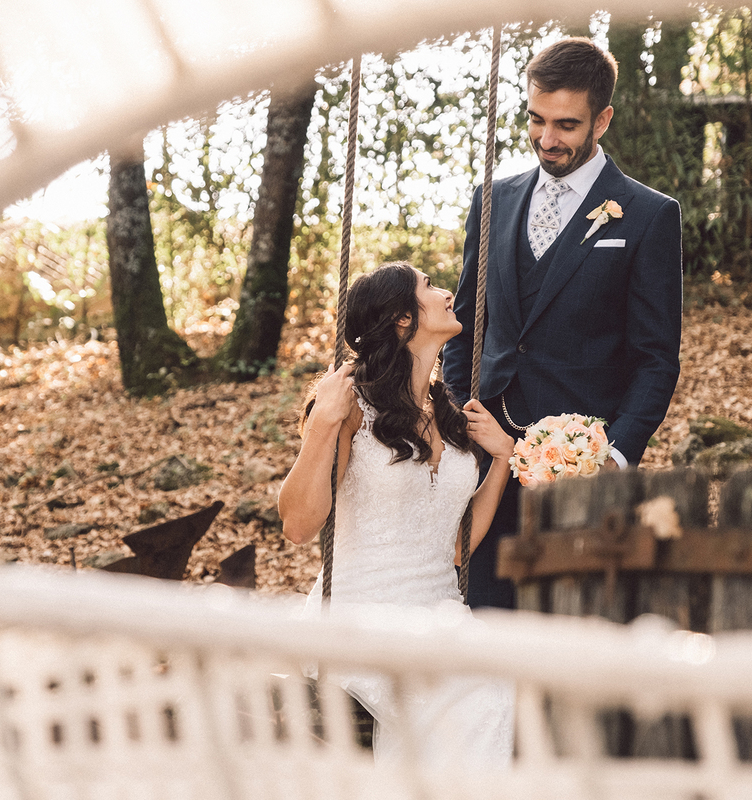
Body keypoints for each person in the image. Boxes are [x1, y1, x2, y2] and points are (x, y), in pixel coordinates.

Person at [442, 37, 683, 609]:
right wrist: (456, 417)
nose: (547, 139)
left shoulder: (650, 216)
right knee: (484, 619)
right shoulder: (492, 199)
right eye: (536, 119)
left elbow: (656, 358)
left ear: (603, 120)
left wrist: (614, 457)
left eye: (567, 125)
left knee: (571, 630)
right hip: (486, 465)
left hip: (582, 471)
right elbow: (462, 320)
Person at [279, 261, 515, 767]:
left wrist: (502, 458)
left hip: (441, 613)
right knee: (466, 695)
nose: (448, 292)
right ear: (402, 319)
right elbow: (299, 525)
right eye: (430, 287)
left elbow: (453, 547)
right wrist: (322, 424)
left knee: (498, 683)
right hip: (361, 616)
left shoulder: (449, 417)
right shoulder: (352, 407)